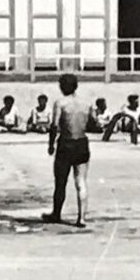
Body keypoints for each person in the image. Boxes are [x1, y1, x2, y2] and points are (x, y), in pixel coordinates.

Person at [45, 73, 98, 228]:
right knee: (81, 181)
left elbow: (54, 126)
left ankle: (56, 213)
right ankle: (81, 218)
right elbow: (93, 124)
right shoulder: (86, 103)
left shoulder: (60, 103)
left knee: (60, 182)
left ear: (63, 86)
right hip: (81, 142)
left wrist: (51, 144)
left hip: (66, 144)